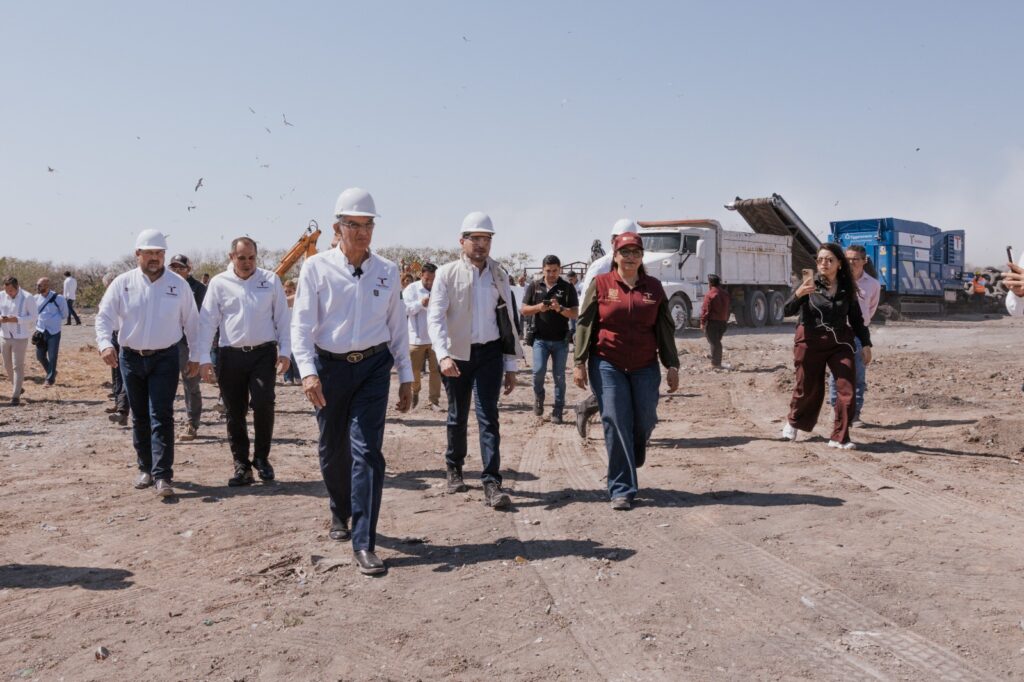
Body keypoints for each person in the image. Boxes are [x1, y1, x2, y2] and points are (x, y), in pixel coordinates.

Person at [291, 187, 412, 576]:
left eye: (368, 225)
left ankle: (364, 542)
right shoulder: (316, 268)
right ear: (337, 228)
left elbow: (397, 326)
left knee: (367, 452)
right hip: (329, 369)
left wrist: (406, 376)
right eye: (353, 225)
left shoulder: (387, 271)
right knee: (332, 448)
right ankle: (339, 508)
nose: (362, 233)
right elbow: (301, 325)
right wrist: (308, 372)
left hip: (373, 368)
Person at [573, 232, 679, 509]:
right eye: (625, 252)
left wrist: (672, 364)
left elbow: (664, 328)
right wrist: (579, 362)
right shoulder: (601, 284)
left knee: (645, 419)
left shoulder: (653, 288)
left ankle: (634, 448)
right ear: (615, 255)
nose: (630, 257)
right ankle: (621, 489)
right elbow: (585, 323)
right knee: (616, 419)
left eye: (636, 252)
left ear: (642, 257)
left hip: (645, 364)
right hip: (607, 362)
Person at [95, 230, 201, 498]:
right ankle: (145, 468)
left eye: (159, 253)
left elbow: (192, 322)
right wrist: (105, 344)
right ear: (137, 254)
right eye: (149, 253)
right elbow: (104, 316)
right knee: (140, 415)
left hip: (165, 358)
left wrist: (196, 356)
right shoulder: (122, 283)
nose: (155, 258)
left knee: (161, 414)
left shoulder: (178, 285)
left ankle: (163, 475)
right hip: (130, 358)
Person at [428, 212, 523, 508]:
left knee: (488, 417)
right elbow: (435, 317)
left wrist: (510, 365)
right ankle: (454, 467)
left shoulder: (499, 274)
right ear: (462, 241)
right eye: (476, 238)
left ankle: (492, 482)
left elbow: (508, 321)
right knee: (457, 415)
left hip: (490, 354)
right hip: (457, 355)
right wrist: (442, 355)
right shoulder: (447, 273)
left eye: (486, 239)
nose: (481, 244)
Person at [199, 237, 291, 487]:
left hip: (263, 354)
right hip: (230, 355)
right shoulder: (219, 283)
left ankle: (261, 458)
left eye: (251, 258)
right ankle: (241, 465)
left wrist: (285, 352)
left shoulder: (270, 280)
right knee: (234, 411)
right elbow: (207, 322)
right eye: (241, 258)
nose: (247, 262)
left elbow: (283, 319)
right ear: (231, 257)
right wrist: (204, 358)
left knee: (264, 403)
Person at [780, 243, 872, 449]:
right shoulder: (808, 283)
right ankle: (793, 422)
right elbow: (786, 311)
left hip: (840, 342)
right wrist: (799, 294)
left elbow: (856, 319)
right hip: (810, 341)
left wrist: (866, 344)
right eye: (820, 259)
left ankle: (840, 437)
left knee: (847, 387)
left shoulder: (847, 288)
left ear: (839, 264)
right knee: (807, 387)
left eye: (829, 260)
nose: (824, 263)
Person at [574, 219, 640, 437]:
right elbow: (585, 308)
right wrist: (582, 348)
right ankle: (594, 414)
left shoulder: (638, 266)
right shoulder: (600, 267)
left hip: (631, 339)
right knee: (611, 389)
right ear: (613, 241)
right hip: (603, 338)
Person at [520, 255, 578, 423]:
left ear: (560, 269)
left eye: (555, 270)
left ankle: (558, 409)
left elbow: (575, 313)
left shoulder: (567, 287)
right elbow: (523, 310)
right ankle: (539, 396)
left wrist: (560, 309)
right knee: (538, 372)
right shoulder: (534, 285)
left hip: (561, 340)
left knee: (559, 376)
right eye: (548, 271)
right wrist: (539, 307)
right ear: (542, 269)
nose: (551, 274)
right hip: (540, 339)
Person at [828, 244, 881, 425]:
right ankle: (837, 411)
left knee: (858, 376)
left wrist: (862, 332)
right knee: (836, 375)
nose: (851, 263)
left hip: (858, 334)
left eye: (855, 259)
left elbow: (870, 309)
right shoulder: (835, 281)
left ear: (864, 261)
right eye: (848, 259)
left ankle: (855, 414)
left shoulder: (873, 285)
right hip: (837, 334)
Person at [167, 254, 206, 441]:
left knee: (191, 384)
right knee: (164, 383)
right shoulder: (163, 285)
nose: (176, 271)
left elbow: (203, 317)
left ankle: (192, 422)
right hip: (167, 342)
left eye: (180, 268)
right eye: (173, 268)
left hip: (188, 342)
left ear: (188, 270)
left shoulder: (199, 289)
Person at [403, 263, 441, 409]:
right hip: (416, 338)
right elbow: (405, 309)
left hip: (435, 338)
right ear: (421, 275)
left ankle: (433, 401)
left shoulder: (440, 287)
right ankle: (415, 391)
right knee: (414, 370)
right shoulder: (411, 289)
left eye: (433, 279)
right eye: (427, 279)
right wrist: (420, 303)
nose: (430, 282)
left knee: (436, 371)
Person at [1, 277, 38, 406]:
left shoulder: (28, 297)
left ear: (17, 287)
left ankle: (15, 395)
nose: (8, 293)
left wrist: (17, 319)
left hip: (20, 337)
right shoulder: (1, 296)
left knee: (17, 366)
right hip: (4, 335)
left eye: (11, 290)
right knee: (7, 365)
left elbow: (34, 317)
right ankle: (18, 386)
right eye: (6, 290)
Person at [101, 272, 129, 425]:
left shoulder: (127, 295)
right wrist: (103, 343)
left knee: (125, 374)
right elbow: (102, 318)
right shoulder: (107, 297)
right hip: (113, 336)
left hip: (125, 337)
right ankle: (119, 404)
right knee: (116, 373)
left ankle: (122, 408)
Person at [33, 277, 68, 387]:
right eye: (37, 285)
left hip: (54, 332)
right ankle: (52, 371)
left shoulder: (59, 298)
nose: (37, 287)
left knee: (52, 356)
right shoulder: (35, 298)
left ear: (47, 286)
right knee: (40, 356)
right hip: (40, 331)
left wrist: (54, 320)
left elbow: (65, 314)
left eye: (40, 285)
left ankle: (50, 379)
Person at [700, 274, 731, 370]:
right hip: (723, 322)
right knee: (716, 342)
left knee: (714, 342)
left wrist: (702, 322)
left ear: (710, 283)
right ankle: (716, 361)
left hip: (713, 322)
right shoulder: (725, 294)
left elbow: (706, 310)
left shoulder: (710, 294)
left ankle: (716, 364)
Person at [281, 279, 301, 384]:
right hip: (285, 332)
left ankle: (298, 376)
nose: (288, 294)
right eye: (286, 292)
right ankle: (288, 377)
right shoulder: (281, 304)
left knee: (296, 354)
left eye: (290, 292)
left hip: (296, 332)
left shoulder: (298, 303)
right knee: (286, 354)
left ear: (294, 291)